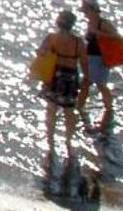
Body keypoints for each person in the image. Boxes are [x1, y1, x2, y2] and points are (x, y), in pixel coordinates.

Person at [36, 9, 86, 155]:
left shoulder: (51, 38)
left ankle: (50, 141)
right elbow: (84, 63)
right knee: (69, 111)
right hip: (70, 76)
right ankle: (68, 141)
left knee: (51, 109)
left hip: (54, 74)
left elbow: (41, 53)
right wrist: (86, 81)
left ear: (59, 22)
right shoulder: (78, 42)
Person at [79, 0, 120, 132]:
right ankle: (80, 106)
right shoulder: (91, 23)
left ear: (92, 10)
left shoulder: (103, 23)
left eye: (85, 10)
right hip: (91, 58)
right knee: (87, 83)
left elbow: (116, 37)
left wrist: (98, 33)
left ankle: (108, 109)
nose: (84, 13)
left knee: (100, 84)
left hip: (101, 59)